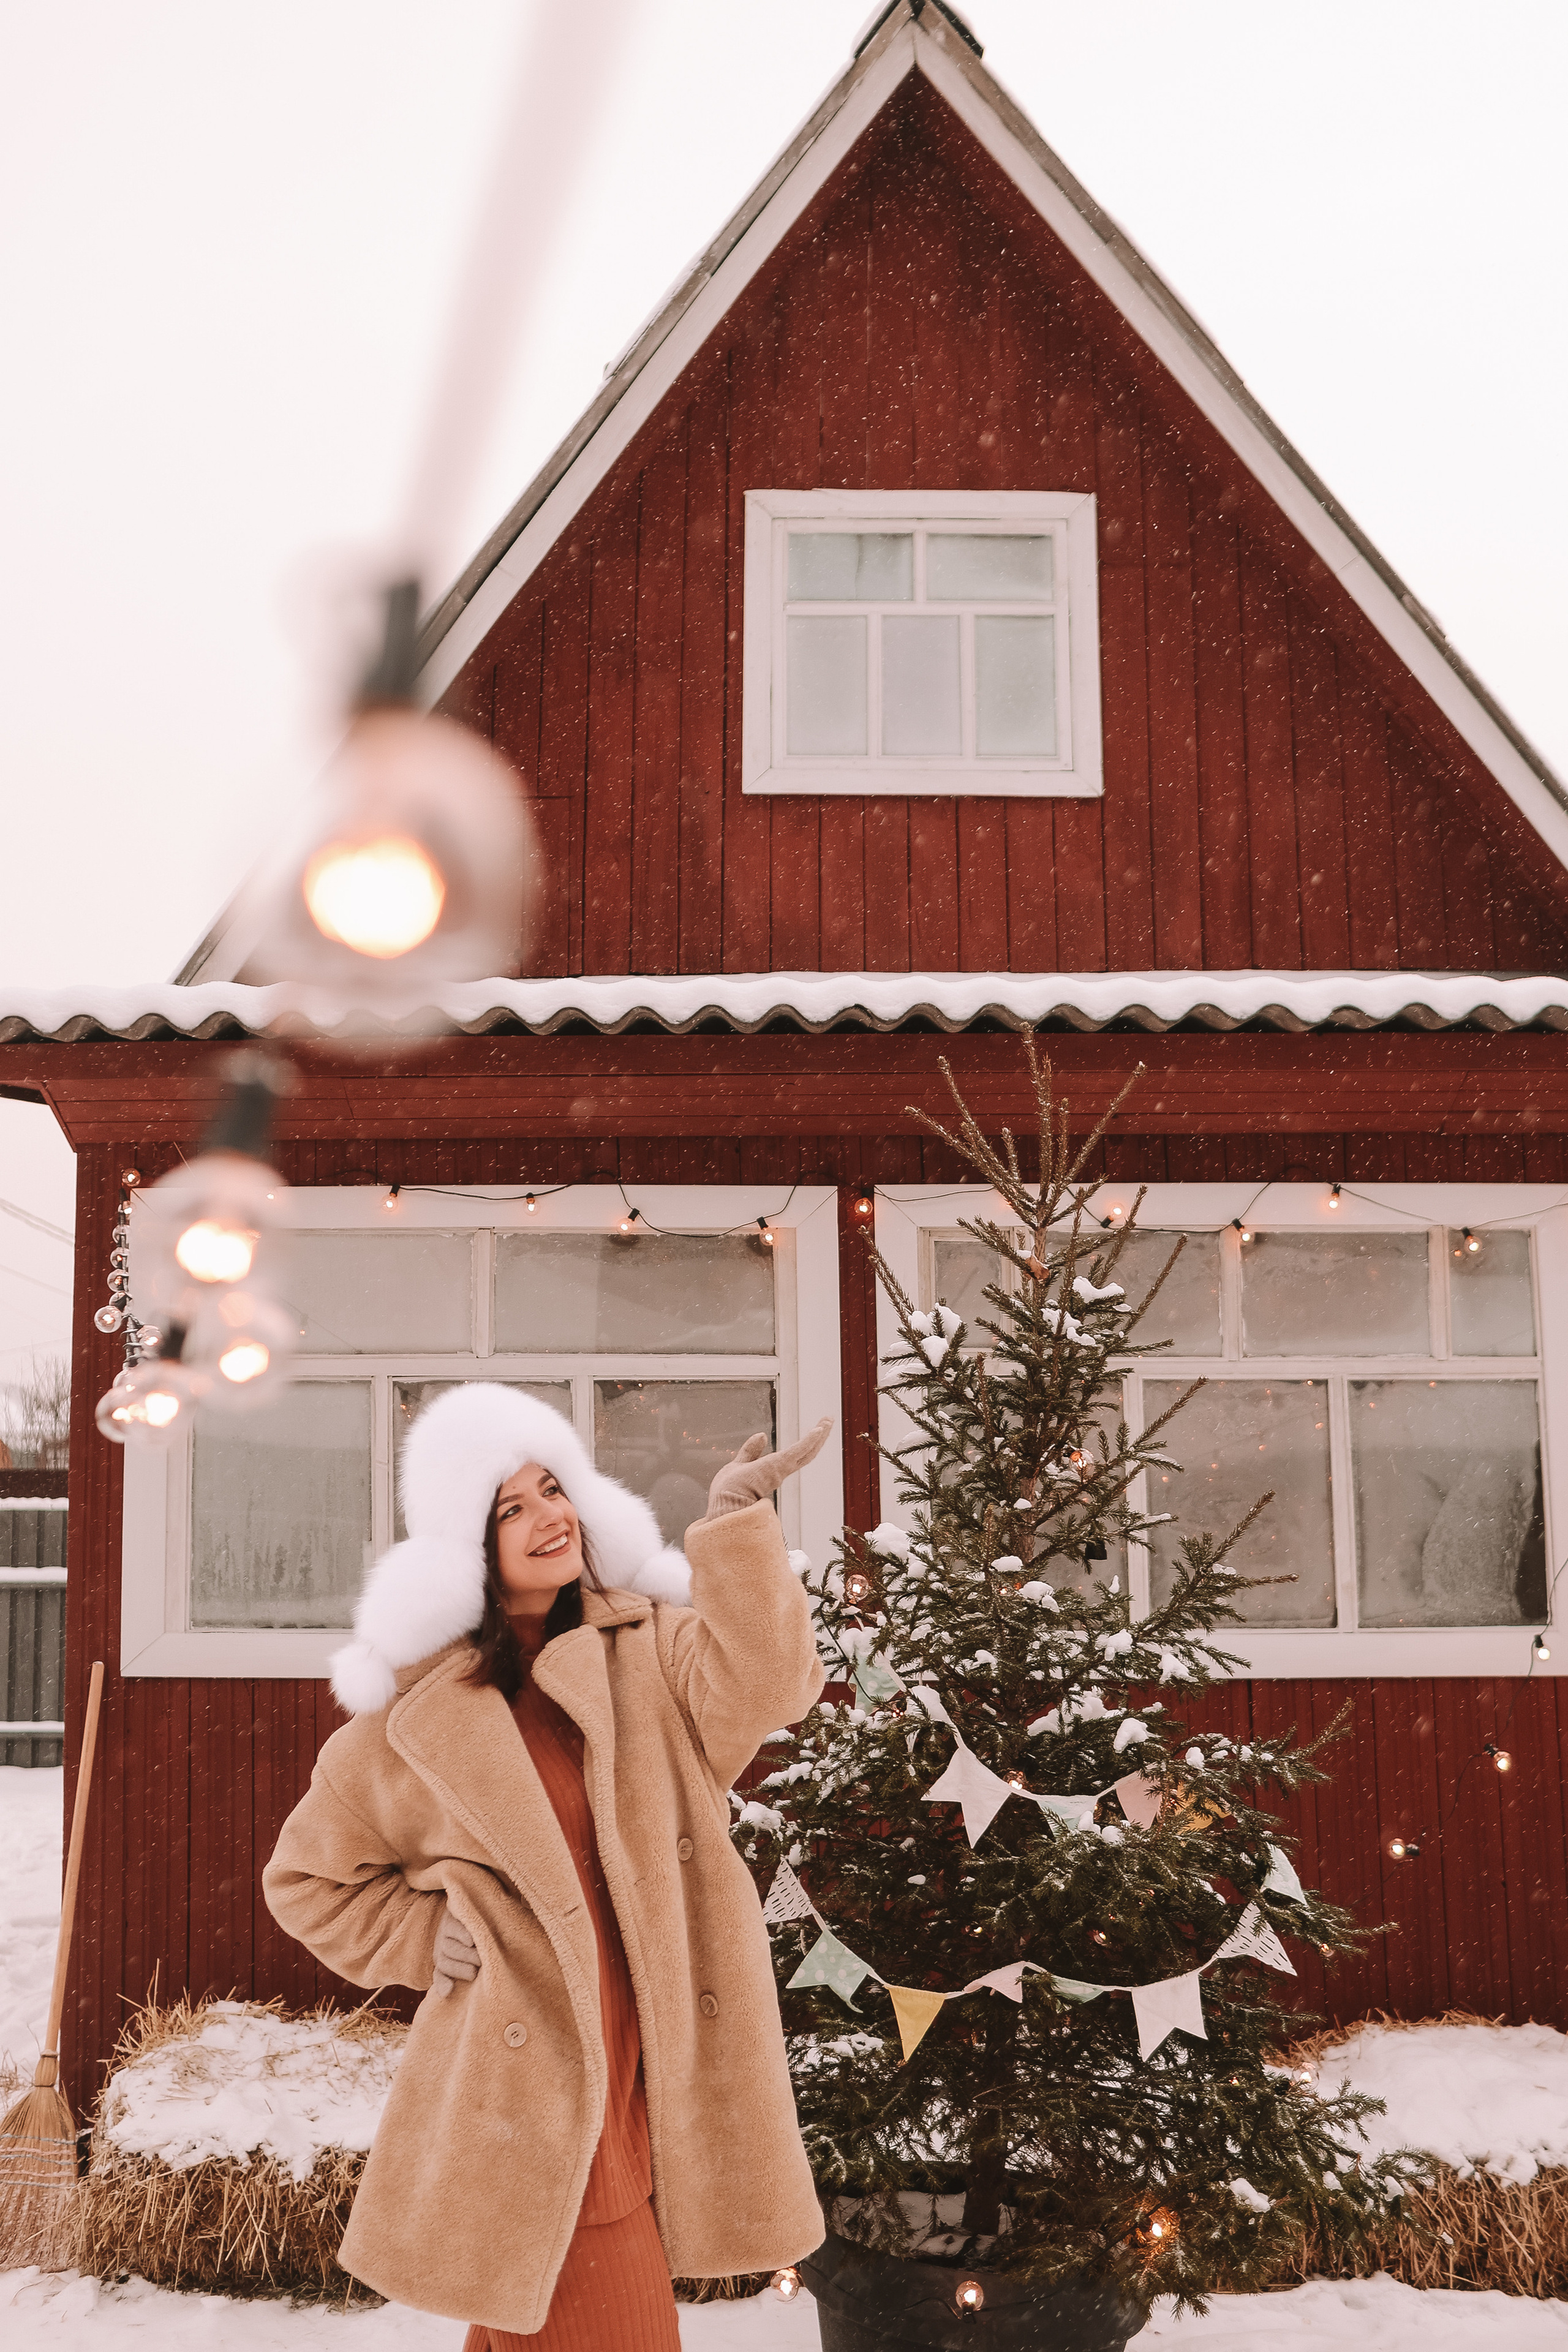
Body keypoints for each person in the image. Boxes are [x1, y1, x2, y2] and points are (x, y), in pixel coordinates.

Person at [263, 1382, 830, 2347]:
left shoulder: (649, 1645)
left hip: (654, 2070)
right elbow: (306, 1880)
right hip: (531, 2098)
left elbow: (774, 1683)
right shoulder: (416, 1716)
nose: (547, 1517)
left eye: (553, 1488)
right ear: (466, 1546)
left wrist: (734, 1523)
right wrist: (422, 1931)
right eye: (509, 1507)